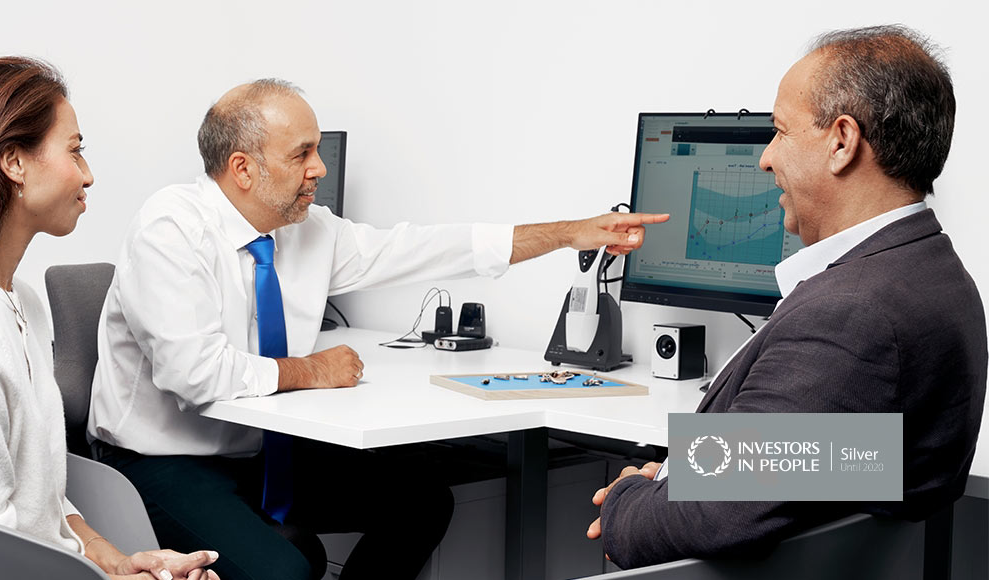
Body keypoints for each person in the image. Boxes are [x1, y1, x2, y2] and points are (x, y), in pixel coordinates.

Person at [86, 78, 670, 580]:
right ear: (243, 168)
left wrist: (569, 233)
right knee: (285, 570)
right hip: (158, 458)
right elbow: (192, 374)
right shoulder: (169, 230)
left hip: (256, 451)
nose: (319, 169)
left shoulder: (309, 230)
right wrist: (312, 370)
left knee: (422, 502)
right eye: (302, 154)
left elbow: (425, 248)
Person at [587, 25, 986, 568]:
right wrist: (700, 470)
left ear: (841, 142)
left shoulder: (854, 313)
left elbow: (714, 518)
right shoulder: (933, 275)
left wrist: (631, 498)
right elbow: (842, 461)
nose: (765, 159)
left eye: (779, 132)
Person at [0, 56, 220, 580]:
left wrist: (120, 565)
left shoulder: (18, 300)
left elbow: (40, 504)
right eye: (75, 151)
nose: (88, 174)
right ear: (14, 163)